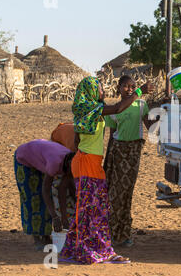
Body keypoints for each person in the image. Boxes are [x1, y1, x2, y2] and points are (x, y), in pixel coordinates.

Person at [59, 76, 154, 265]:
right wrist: (139, 92)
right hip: (87, 163)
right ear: (92, 91)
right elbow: (118, 108)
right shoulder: (92, 109)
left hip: (86, 161)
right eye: (100, 88)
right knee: (94, 211)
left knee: (87, 210)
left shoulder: (84, 108)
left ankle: (76, 249)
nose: (103, 91)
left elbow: (78, 140)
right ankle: (100, 252)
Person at [103, 75, 154, 248]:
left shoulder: (141, 105)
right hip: (118, 153)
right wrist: (108, 160)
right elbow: (112, 135)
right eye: (126, 86)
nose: (130, 89)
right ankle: (111, 233)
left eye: (133, 86)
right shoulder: (114, 109)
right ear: (118, 87)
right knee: (114, 194)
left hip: (133, 154)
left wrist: (163, 110)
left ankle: (123, 234)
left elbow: (151, 127)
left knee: (126, 194)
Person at [14, 139, 76, 250]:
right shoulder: (55, 163)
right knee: (33, 198)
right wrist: (55, 217)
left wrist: (64, 217)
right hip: (24, 159)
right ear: (68, 165)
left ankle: (45, 235)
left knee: (46, 202)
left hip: (40, 160)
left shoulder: (71, 163)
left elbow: (62, 190)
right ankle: (37, 236)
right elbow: (46, 190)